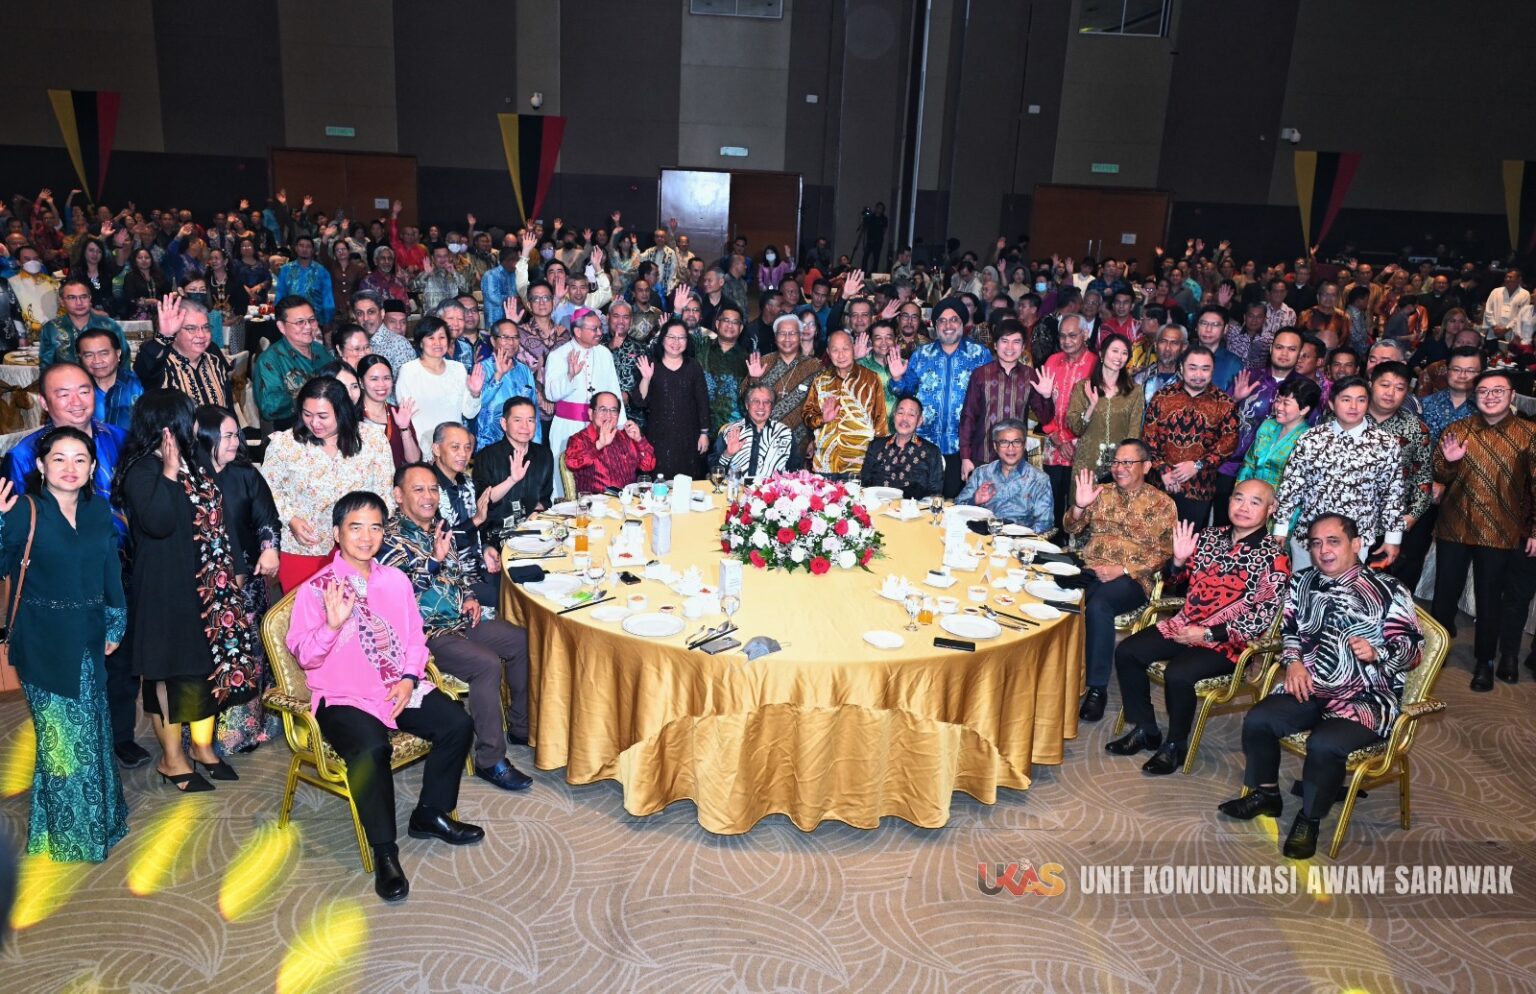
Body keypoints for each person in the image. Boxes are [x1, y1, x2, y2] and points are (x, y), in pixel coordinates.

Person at [287, 490, 482, 902]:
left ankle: (430, 813)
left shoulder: (395, 581)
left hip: (395, 686)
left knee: (457, 723)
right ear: (337, 533)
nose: (366, 537)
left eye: (375, 527)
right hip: (344, 696)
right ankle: (385, 851)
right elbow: (304, 655)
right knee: (372, 749)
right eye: (355, 527)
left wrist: (410, 679)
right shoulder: (317, 590)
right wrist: (331, 626)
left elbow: (414, 639)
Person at [1218, 513, 1423, 860]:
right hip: (1311, 686)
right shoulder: (1302, 582)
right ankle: (1267, 794)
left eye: (1333, 542)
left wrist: (1378, 652)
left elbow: (1413, 650)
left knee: (1325, 744)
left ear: (1356, 544)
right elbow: (1290, 631)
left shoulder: (1389, 590)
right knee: (1259, 719)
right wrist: (1294, 662)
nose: (1323, 550)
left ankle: (1309, 818)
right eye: (1316, 543)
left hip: (1365, 697)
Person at [113, 390, 256, 793]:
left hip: (209, 587)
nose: (194, 424)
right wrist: (169, 471)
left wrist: (236, 568)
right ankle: (172, 758)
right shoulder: (143, 469)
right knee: (170, 673)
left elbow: (220, 518)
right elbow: (158, 522)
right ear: (166, 424)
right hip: (167, 589)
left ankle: (203, 748)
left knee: (205, 669)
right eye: (188, 416)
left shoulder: (195, 463)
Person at [0, 429, 128, 861]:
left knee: (92, 731)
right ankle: (73, 837)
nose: (69, 468)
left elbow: (111, 570)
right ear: (41, 466)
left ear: (92, 468)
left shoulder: (98, 510)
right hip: (43, 642)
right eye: (59, 459)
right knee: (61, 740)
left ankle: (97, 823)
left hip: (90, 639)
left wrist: (116, 622)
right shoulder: (24, 510)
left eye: (79, 459)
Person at [1108, 480, 1290, 774]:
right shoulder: (1209, 536)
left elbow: (1260, 618)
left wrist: (1207, 633)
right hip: (1184, 624)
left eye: (1255, 502)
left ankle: (1175, 745)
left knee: (1179, 673)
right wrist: (1178, 561)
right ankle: (1146, 729)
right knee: (1128, 652)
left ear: (1271, 509)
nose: (1243, 507)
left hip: (1230, 643)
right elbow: (1174, 581)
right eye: (1238, 498)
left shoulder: (1275, 558)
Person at [379, 464, 533, 793]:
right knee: (485, 664)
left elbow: (458, 572)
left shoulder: (440, 526)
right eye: (419, 489)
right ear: (398, 495)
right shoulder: (387, 541)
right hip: (426, 635)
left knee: (520, 640)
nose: (429, 496)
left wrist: (469, 597)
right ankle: (491, 760)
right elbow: (397, 597)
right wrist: (433, 562)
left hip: (460, 620)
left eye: (433, 489)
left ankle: (521, 727)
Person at [1431, 370, 1536, 690]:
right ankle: (1435, 651)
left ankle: (1484, 661)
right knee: (1444, 594)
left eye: (1498, 391)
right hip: (1454, 526)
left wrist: (1534, 529)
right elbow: (1439, 475)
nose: (1490, 396)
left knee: (1489, 598)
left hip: (1499, 529)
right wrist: (1449, 461)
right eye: (1483, 391)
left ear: (1512, 395)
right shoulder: (1458, 429)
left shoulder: (1529, 433)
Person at [1062, 440, 1178, 722]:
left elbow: (1165, 553)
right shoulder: (1101, 493)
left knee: (1098, 605)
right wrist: (1079, 506)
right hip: (1091, 567)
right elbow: (1071, 527)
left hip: (1133, 580)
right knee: (1056, 594)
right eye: (1115, 462)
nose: (1118, 468)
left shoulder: (1163, 504)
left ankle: (1096, 688)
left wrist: (1124, 569)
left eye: (1127, 462)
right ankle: (1057, 674)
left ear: (1146, 466)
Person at [194, 406, 282, 753]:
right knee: (206, 657)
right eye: (227, 436)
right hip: (201, 585)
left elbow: (266, 519)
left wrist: (269, 549)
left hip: (247, 583)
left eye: (235, 435)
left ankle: (243, 731)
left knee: (248, 653)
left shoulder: (245, 474)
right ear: (205, 438)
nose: (235, 442)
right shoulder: (186, 478)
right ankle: (200, 733)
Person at [260, 376, 394, 591]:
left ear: (342, 412)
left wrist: (369, 530)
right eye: (307, 414)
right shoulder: (284, 444)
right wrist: (290, 518)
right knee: (304, 608)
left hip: (358, 548)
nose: (314, 423)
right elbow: (267, 491)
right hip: (303, 548)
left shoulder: (373, 440)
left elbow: (384, 494)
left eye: (323, 416)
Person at [1273, 377, 1405, 571]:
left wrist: (1393, 538)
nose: (1354, 406)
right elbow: (1292, 486)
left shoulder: (1385, 443)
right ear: (1332, 404)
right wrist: (1280, 528)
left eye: (1361, 400)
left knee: (1346, 589)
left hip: (1355, 539)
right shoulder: (1312, 438)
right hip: (1309, 537)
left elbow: (1393, 492)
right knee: (1303, 587)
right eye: (1346, 399)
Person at [885, 298, 993, 496]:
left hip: (964, 448)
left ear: (962, 323)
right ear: (935, 326)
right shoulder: (921, 355)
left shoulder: (979, 355)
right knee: (921, 503)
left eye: (954, 320)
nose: (948, 325)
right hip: (924, 445)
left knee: (957, 504)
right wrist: (898, 378)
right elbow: (907, 394)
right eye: (942, 320)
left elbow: (990, 398)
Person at [1142, 345, 1239, 526]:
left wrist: (1198, 465)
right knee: (1152, 536)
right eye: (1192, 368)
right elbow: (1148, 436)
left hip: (1199, 489)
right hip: (1160, 483)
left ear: (1213, 370)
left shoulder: (1225, 403)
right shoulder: (1162, 396)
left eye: (1205, 368)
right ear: (1181, 368)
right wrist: (1162, 469)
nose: (1198, 374)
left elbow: (1229, 442)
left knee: (1189, 539)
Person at [1363, 362, 1433, 586]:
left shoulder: (1416, 428)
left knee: (1375, 586)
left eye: (1399, 388)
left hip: (1388, 523)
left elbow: (1423, 476)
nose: (1390, 393)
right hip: (1343, 516)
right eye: (1385, 385)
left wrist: (1413, 515)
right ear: (1371, 384)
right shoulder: (1350, 417)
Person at [957, 319, 1057, 475]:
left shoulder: (1030, 375)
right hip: (982, 456)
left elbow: (1045, 419)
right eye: (1004, 341)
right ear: (995, 345)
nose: (1010, 347)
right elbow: (968, 416)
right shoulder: (980, 375)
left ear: (1023, 347)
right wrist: (965, 457)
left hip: (1015, 458)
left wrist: (1046, 396)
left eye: (1016, 342)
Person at [545, 308, 622, 492]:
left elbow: (614, 391)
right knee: (564, 479)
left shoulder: (604, 353)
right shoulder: (557, 355)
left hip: (599, 428)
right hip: (566, 427)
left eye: (600, 328)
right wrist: (570, 376)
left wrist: (619, 426)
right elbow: (550, 394)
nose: (600, 333)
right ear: (578, 331)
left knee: (598, 475)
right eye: (594, 329)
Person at [428, 423, 500, 607]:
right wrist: (476, 520)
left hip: (477, 566)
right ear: (436, 449)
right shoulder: (428, 488)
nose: (463, 454)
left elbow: (476, 528)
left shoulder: (466, 481)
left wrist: (485, 547)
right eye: (455, 447)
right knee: (505, 599)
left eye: (468, 448)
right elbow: (438, 542)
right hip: (451, 576)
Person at [804, 330, 888, 476]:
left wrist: (877, 463)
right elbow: (807, 416)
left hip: (860, 464)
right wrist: (822, 419)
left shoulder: (871, 379)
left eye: (845, 349)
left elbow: (880, 423)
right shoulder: (820, 381)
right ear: (828, 353)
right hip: (825, 463)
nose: (841, 355)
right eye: (835, 350)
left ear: (853, 348)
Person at [395, 316, 485, 453]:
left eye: (442, 337)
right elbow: (406, 416)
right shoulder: (408, 371)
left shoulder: (458, 369)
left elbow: (469, 413)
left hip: (453, 448)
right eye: (431, 338)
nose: (437, 343)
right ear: (421, 343)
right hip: (422, 448)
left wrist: (475, 393)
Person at [745, 314, 822, 469]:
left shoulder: (814, 367)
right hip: (763, 441)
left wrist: (815, 439)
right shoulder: (763, 362)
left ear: (800, 336)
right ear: (775, 337)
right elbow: (745, 400)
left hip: (800, 442)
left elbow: (821, 406)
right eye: (782, 333)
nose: (787, 338)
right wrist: (753, 379)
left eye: (792, 333)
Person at [634, 319, 709, 479]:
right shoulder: (651, 365)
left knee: (688, 481)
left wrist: (704, 433)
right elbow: (640, 401)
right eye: (671, 337)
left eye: (681, 337)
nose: (676, 342)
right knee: (659, 482)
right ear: (662, 339)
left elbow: (702, 402)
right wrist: (646, 379)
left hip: (689, 437)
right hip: (658, 436)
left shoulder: (693, 366)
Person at [473, 397, 554, 542]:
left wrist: (536, 513)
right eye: (517, 420)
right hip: (496, 536)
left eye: (530, 420)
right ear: (504, 424)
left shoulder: (544, 455)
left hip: (533, 531)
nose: (525, 427)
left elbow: (545, 498)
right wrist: (511, 480)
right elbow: (483, 502)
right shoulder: (486, 456)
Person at [134, 295, 234, 409]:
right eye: (191, 328)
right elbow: (144, 369)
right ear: (175, 334)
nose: (201, 335)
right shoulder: (162, 365)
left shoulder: (214, 359)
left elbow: (229, 407)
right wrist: (164, 336)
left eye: (205, 327)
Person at [1066, 333, 1141, 481]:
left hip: (1120, 466)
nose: (1119, 357)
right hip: (1087, 464)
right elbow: (1076, 428)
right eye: (1115, 351)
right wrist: (1091, 406)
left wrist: (1126, 461)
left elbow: (1134, 432)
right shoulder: (1083, 387)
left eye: (1124, 353)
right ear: (1101, 354)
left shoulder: (1135, 391)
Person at [954, 419, 1053, 531]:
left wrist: (1022, 537)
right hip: (982, 535)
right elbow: (957, 507)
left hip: (1020, 538)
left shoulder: (1039, 480)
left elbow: (1045, 523)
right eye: (1004, 442)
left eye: (1017, 442)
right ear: (995, 446)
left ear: (1024, 444)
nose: (1011, 448)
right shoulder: (981, 473)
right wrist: (974, 500)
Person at [253, 296, 333, 430]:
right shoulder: (270, 360)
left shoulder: (321, 351)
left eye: (312, 320)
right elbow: (269, 407)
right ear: (281, 327)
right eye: (300, 322)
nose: (308, 327)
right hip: (291, 431)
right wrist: (310, 395)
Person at [1237, 376, 1321, 490]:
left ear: (1304, 409)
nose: (1279, 407)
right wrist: (1240, 490)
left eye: (1286, 403)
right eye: (1278, 400)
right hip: (1251, 494)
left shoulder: (1309, 439)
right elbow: (1249, 463)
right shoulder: (1268, 426)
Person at [565, 391, 657, 493]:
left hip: (627, 500)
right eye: (603, 409)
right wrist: (599, 445)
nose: (608, 415)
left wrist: (639, 440)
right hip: (595, 501)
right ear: (591, 413)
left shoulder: (626, 436)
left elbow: (648, 465)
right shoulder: (579, 439)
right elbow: (572, 463)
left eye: (613, 410)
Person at [474, 319, 539, 451]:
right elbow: (476, 404)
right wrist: (498, 375)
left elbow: (534, 409)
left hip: (522, 442)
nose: (511, 342)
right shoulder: (482, 368)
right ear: (493, 341)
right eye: (505, 337)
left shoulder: (524, 370)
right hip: (490, 443)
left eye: (515, 337)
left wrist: (536, 444)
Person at [38, 277, 128, 367]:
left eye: (83, 297)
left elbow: (124, 360)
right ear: (62, 302)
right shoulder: (51, 328)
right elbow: (46, 365)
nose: (79, 302)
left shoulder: (109, 326)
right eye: (72, 298)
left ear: (90, 299)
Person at [355, 354, 423, 470]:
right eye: (374, 379)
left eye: (386, 378)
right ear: (361, 382)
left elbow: (414, 461)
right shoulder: (352, 414)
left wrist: (404, 428)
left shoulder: (398, 413)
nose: (381, 384)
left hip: (397, 479)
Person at [713, 384, 793, 479]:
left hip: (771, 488)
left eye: (766, 402)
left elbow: (795, 471)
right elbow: (713, 470)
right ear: (747, 405)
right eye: (756, 401)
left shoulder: (785, 433)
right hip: (735, 487)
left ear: (771, 406)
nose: (761, 406)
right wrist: (727, 454)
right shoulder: (731, 431)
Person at [77, 327, 142, 430]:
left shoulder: (139, 384)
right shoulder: (73, 390)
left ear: (118, 353)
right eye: (89, 355)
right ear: (80, 357)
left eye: (104, 353)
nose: (97, 361)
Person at [352, 290, 414, 377]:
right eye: (359, 313)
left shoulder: (399, 344)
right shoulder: (353, 344)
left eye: (371, 312)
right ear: (354, 316)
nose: (365, 318)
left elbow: (407, 383)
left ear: (382, 313)